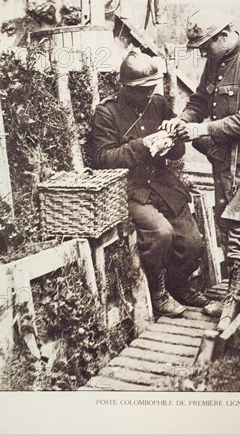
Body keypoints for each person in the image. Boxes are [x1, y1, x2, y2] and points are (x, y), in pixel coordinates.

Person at [161, 9, 240, 331]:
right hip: (222, 161)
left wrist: (202, 130)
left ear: (223, 35)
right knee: (226, 227)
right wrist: (183, 120)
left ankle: (233, 303)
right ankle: (232, 296)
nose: (202, 53)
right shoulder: (216, 60)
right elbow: (199, 100)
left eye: (205, 46)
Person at [91, 50, 209, 318]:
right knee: (161, 233)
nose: (148, 93)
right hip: (129, 189)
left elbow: (178, 151)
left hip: (163, 183)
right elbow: (102, 158)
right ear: (125, 87)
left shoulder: (158, 104)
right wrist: (142, 146)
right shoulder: (107, 112)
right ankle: (158, 293)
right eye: (141, 89)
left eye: (151, 87)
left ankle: (180, 286)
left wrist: (173, 141)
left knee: (192, 241)